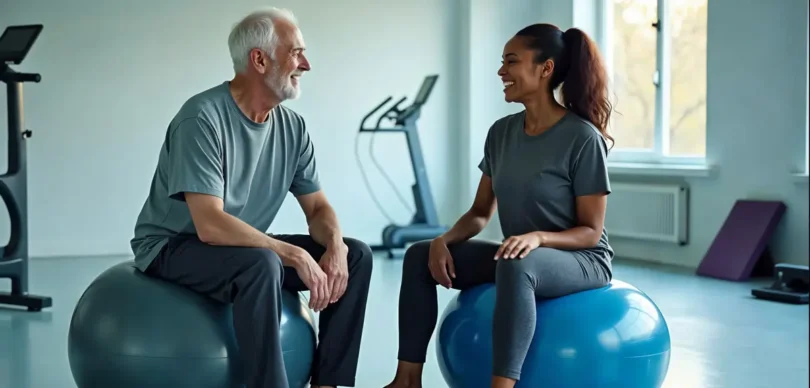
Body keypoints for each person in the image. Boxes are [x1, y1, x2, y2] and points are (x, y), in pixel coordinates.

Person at [130, 8, 373, 388]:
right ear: (259, 59)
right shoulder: (202, 118)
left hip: (237, 248)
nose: (306, 64)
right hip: (173, 245)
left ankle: (328, 383)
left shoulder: (292, 127)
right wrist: (291, 253)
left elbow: (318, 207)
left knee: (356, 256)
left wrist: (337, 245)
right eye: (295, 53)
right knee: (262, 264)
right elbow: (209, 225)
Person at [384, 23, 615, 388]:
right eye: (501, 62)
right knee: (419, 255)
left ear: (545, 68)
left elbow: (591, 232)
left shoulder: (582, 138)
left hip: (582, 260)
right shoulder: (501, 132)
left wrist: (539, 237)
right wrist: (444, 240)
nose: (501, 71)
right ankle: (407, 380)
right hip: (521, 255)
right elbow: (480, 212)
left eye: (511, 61)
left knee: (515, 263)